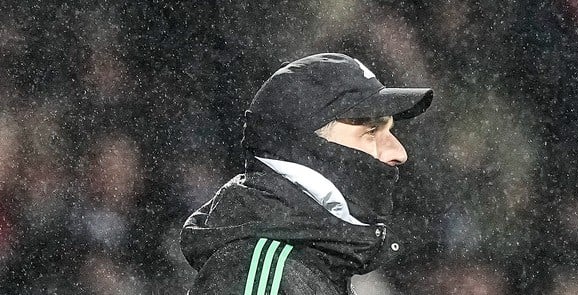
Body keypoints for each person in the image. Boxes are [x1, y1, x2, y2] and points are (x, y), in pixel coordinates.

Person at [180, 53, 433, 294]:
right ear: (307, 149)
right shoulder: (259, 275)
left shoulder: (315, 262)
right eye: (371, 132)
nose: (399, 151)